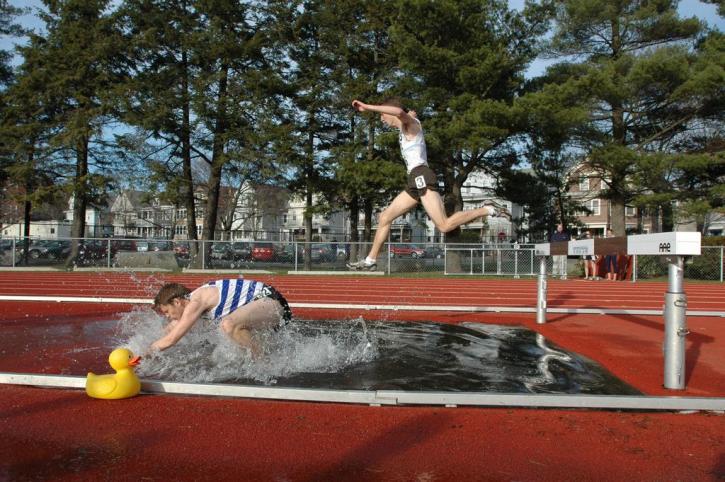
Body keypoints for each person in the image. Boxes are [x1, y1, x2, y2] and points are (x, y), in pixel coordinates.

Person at [346, 98, 508, 271]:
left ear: (390, 110)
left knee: (444, 225)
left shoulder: (410, 124)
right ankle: (370, 260)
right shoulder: (405, 125)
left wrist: (368, 107)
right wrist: (408, 113)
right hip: (414, 179)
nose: (382, 119)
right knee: (385, 217)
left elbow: (401, 114)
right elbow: (405, 114)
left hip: (421, 175)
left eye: (382, 115)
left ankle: (488, 209)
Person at [149, 278, 292, 356]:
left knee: (229, 325)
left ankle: (264, 364)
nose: (168, 316)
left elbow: (172, 339)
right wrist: (140, 349)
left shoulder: (196, 302)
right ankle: (262, 356)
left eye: (167, 311)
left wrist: (142, 357)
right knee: (231, 334)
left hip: (271, 302)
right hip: (258, 308)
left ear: (177, 302)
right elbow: (168, 332)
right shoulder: (192, 307)